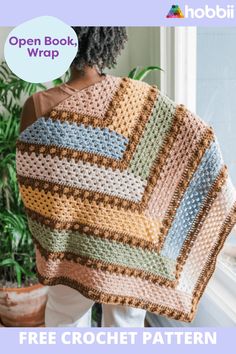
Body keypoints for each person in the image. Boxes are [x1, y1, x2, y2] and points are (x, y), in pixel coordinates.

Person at [16, 27, 236, 327]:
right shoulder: (138, 96)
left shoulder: (38, 106)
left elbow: (35, 189)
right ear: (111, 41)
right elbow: (197, 140)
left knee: (64, 319)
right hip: (130, 246)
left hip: (70, 247)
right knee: (125, 325)